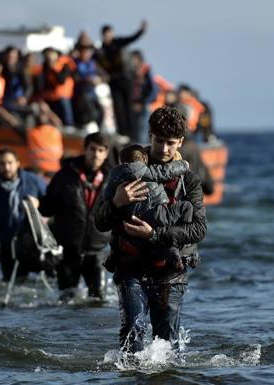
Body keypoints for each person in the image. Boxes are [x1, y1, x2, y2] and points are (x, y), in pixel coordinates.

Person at [95, 106, 207, 353]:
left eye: (170, 143)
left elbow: (198, 229)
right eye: (159, 141)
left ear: (180, 142)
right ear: (149, 135)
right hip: (129, 269)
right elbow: (99, 222)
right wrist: (117, 202)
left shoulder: (188, 180)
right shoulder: (126, 169)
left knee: (167, 350)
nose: (164, 150)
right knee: (132, 337)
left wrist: (154, 235)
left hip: (170, 272)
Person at [38, 133, 112, 300]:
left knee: (98, 300)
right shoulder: (64, 176)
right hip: (68, 249)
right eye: (92, 149)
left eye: (101, 150)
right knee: (66, 300)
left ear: (106, 153)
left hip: (97, 250)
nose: (96, 154)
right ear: (85, 149)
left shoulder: (113, 178)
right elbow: (48, 208)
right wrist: (37, 203)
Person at [102, 144, 196, 275]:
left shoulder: (114, 175)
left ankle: (113, 255)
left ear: (121, 161)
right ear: (144, 161)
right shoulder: (149, 171)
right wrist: (184, 164)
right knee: (186, 207)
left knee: (117, 228)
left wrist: (116, 200)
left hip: (131, 216)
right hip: (156, 212)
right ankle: (176, 250)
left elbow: (106, 197)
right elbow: (167, 171)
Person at [0, 148, 47, 281]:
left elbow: (51, 204)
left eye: (10, 163)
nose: (7, 167)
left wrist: (42, 211)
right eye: (2, 164)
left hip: (35, 243)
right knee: (13, 284)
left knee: (45, 281)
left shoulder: (33, 181)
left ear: (18, 163)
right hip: (8, 245)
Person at [96, 20, 147, 137]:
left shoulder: (118, 43)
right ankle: (122, 133)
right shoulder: (101, 50)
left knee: (128, 106)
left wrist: (141, 31)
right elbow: (94, 61)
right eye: (105, 34)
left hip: (125, 80)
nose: (108, 36)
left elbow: (131, 38)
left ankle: (131, 134)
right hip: (113, 82)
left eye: (110, 33)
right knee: (118, 108)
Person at [129, 50, 158, 143]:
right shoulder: (129, 73)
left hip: (144, 106)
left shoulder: (146, 72)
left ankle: (141, 152)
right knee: (132, 131)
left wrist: (142, 103)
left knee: (142, 131)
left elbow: (153, 91)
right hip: (131, 106)